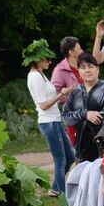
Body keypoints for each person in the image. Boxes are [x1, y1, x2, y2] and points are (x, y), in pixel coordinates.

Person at [23, 39, 75, 195]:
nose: (50, 61)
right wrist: (61, 94)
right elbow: (43, 105)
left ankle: (55, 188)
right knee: (60, 160)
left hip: (55, 120)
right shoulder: (35, 77)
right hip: (48, 122)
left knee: (70, 157)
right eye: (47, 59)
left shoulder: (40, 74)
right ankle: (64, 195)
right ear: (38, 59)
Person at [61, 52, 104, 165]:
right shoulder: (75, 93)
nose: (87, 70)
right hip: (81, 149)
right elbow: (66, 117)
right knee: (83, 181)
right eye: (83, 68)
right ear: (79, 72)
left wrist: (94, 116)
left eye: (90, 66)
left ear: (97, 69)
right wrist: (84, 114)